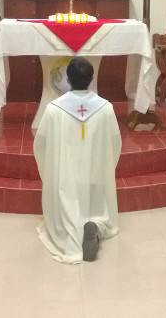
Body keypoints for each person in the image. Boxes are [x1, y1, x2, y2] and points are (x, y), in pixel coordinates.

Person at [34, 57, 121, 263]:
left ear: (68, 78)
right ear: (91, 79)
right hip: (94, 177)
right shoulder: (105, 108)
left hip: (66, 178)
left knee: (66, 204)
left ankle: (72, 231)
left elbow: (41, 145)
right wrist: (105, 166)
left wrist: (50, 172)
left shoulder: (54, 109)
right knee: (98, 208)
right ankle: (95, 224)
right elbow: (115, 142)